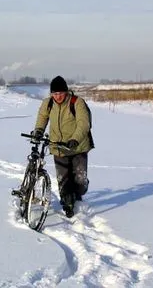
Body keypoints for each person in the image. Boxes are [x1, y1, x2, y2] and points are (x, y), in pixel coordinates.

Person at [32, 75, 94, 218]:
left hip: (77, 147)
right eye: (54, 93)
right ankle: (68, 204)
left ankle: (79, 192)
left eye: (60, 93)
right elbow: (42, 118)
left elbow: (84, 123)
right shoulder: (48, 103)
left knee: (80, 180)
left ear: (66, 91)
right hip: (58, 147)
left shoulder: (77, 102)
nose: (57, 96)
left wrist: (74, 139)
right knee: (63, 179)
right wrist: (38, 131)